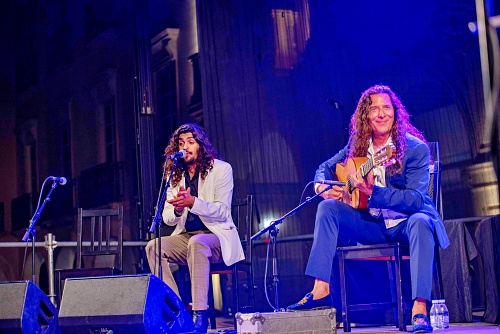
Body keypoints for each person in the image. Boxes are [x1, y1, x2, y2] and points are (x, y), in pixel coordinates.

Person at [286, 84, 450, 333]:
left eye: (387, 107)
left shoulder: (415, 148)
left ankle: (419, 310)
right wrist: (320, 185)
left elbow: (417, 200)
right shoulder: (358, 144)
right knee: (328, 208)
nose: (381, 114)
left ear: (395, 112)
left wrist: (374, 192)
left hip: (405, 224)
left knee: (420, 221)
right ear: (365, 116)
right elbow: (326, 167)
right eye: (374, 109)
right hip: (372, 224)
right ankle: (321, 290)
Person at [145, 123, 244, 333]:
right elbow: (167, 218)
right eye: (181, 143)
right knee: (153, 247)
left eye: (191, 142)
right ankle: (177, 311)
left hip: (216, 236)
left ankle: (200, 315)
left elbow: (223, 212)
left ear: (201, 145)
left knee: (197, 243)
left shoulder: (221, 169)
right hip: (187, 237)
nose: (185, 147)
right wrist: (179, 210)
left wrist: (193, 203)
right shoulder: (175, 174)